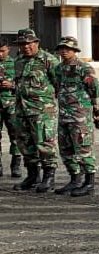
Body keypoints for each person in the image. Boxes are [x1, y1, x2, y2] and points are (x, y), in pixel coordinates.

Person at [11, 28, 59, 193]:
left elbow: (59, 83)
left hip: (42, 112)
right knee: (25, 144)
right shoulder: (18, 61)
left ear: (36, 43)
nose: (26, 47)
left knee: (45, 144)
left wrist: (48, 103)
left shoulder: (48, 60)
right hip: (21, 110)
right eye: (22, 44)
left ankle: (49, 177)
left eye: (29, 43)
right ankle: (32, 176)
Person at [52, 36, 99, 197]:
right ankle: (74, 179)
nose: (64, 51)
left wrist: (95, 109)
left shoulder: (84, 68)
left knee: (83, 147)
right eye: (62, 49)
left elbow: (94, 88)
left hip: (80, 115)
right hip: (64, 114)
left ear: (75, 51)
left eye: (68, 49)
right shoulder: (58, 69)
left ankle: (89, 182)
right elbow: (57, 86)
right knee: (66, 148)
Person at [0, 41, 21, 178]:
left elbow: (24, 84)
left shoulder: (16, 64)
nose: (0, 54)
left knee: (16, 136)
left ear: (8, 49)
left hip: (11, 105)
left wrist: (12, 85)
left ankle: (16, 166)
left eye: (2, 51)